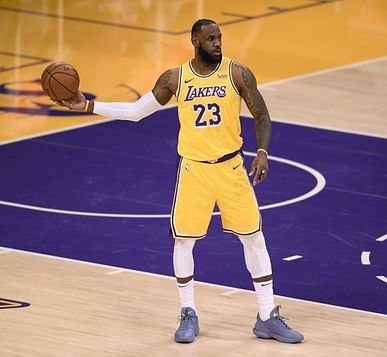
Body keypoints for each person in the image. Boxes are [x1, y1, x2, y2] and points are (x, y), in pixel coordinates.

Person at [55, 18, 304, 344]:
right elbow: (135, 111)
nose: (217, 43)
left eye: (219, 37)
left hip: (231, 168)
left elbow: (262, 115)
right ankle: (188, 311)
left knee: (254, 238)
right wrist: (87, 104)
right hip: (194, 171)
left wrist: (262, 151)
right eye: (211, 38)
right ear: (195, 41)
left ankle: (267, 315)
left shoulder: (237, 73)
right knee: (184, 241)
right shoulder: (176, 78)